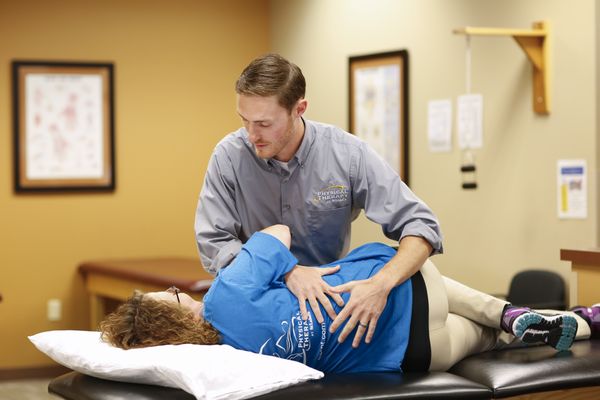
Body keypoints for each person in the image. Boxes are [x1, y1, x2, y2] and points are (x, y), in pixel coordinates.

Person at [102, 225, 596, 373]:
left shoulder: (226, 365)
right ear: (171, 317)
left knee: (494, 342)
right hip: (409, 293)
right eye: (168, 296)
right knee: (433, 286)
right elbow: (279, 231)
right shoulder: (224, 295)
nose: (176, 291)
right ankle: (523, 314)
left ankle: (547, 321)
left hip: (416, 356)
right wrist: (290, 269)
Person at [194, 53, 442, 342]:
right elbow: (215, 243)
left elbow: (422, 225)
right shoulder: (228, 157)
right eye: (244, 120)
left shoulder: (347, 154)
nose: (251, 135)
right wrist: (287, 271)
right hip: (255, 312)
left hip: (327, 311)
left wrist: (380, 285)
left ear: (299, 108)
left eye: (263, 123)